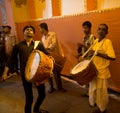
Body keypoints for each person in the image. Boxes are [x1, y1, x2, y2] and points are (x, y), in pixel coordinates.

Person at [2, 25, 49, 113]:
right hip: (25, 74)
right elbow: (11, 60)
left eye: (31, 30)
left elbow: (47, 56)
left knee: (42, 95)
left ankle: (36, 110)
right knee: (29, 98)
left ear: (34, 34)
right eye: (26, 29)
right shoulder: (18, 46)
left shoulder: (38, 45)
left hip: (37, 74)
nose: (29, 31)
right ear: (23, 33)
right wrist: (5, 73)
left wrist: (49, 69)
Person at [88, 24, 116, 113]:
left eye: (103, 30)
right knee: (93, 89)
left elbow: (112, 57)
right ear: (97, 30)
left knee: (101, 92)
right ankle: (96, 105)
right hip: (94, 70)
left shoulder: (108, 42)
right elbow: (91, 52)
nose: (100, 31)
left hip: (102, 71)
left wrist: (98, 54)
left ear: (106, 32)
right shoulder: (96, 41)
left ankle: (103, 109)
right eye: (99, 29)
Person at [39, 22, 65, 93]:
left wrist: (45, 50)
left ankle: (59, 87)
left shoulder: (53, 34)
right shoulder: (43, 38)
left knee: (56, 72)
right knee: (48, 72)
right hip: (47, 57)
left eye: (40, 29)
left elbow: (53, 45)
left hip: (54, 56)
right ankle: (51, 87)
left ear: (43, 28)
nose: (39, 30)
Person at [76, 21, 96, 97]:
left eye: (86, 28)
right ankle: (88, 92)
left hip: (91, 60)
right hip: (85, 59)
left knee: (91, 78)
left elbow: (93, 50)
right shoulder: (84, 37)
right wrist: (79, 54)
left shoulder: (93, 37)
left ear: (90, 28)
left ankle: (92, 95)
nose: (84, 29)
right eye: (83, 28)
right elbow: (85, 50)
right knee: (86, 77)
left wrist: (83, 46)